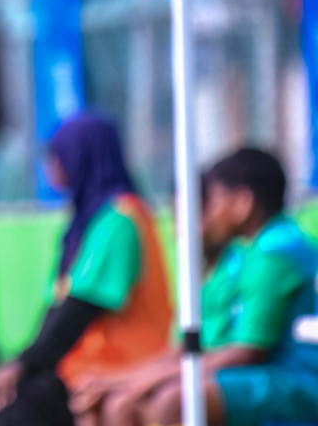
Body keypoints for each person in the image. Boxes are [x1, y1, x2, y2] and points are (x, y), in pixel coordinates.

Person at [76, 147, 318, 426]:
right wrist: (129, 379)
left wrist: (144, 379)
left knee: (172, 402)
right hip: (271, 375)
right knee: (120, 401)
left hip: (294, 379)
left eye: (211, 203)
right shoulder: (256, 254)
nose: (202, 218)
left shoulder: (272, 254)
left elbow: (247, 350)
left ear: (242, 204)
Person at [0, 112, 171, 426]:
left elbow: (78, 310)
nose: (50, 167)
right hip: (81, 362)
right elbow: (58, 308)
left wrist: (22, 365)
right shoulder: (85, 221)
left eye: (56, 156)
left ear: (81, 156)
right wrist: (21, 364)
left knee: (9, 415)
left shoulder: (120, 218)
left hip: (120, 362)